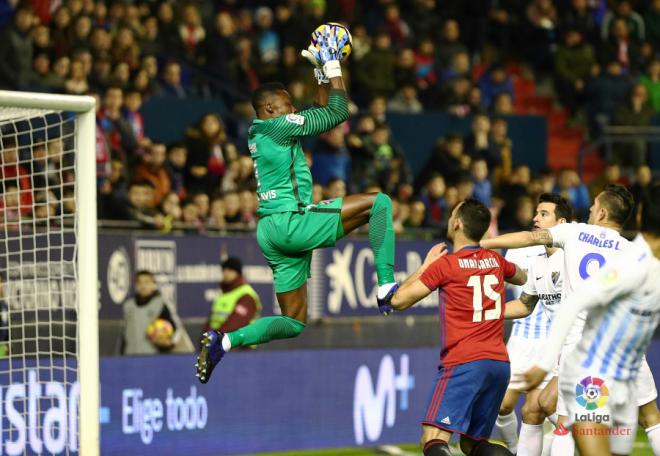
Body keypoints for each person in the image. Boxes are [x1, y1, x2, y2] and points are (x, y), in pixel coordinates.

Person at [196, 26, 398, 383]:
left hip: (271, 230)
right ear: (272, 108)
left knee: (293, 321)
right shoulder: (278, 126)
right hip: (291, 222)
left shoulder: (262, 130)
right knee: (379, 203)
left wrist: (320, 71)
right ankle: (385, 286)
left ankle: (225, 341)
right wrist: (333, 65)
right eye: (290, 105)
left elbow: (319, 109)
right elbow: (337, 112)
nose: (296, 111)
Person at [481, 184, 660, 456]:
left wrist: (484, 243)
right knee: (650, 418)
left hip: (581, 348)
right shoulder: (632, 251)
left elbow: (529, 238)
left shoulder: (574, 232)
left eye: (593, 206)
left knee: (565, 424)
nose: (588, 209)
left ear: (601, 213)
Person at [384, 199, 527, 456]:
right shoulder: (495, 261)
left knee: (433, 438)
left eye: (452, 215)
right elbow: (522, 276)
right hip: (498, 364)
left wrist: (425, 266)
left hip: (464, 361)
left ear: (458, 223)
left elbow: (397, 300)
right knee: (474, 444)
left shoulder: (446, 265)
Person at [496, 194, 573, 455]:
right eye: (536, 213)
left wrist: (480, 243)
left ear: (561, 223)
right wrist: (485, 312)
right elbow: (525, 302)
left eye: (543, 214)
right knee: (515, 407)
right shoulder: (526, 253)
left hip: (565, 344)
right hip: (524, 338)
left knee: (545, 406)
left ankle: (587, 442)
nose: (535, 219)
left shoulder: (573, 255)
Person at [119, 270, 185, 355]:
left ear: (153, 284)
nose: (143, 286)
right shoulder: (128, 306)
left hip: (153, 357)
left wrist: (170, 342)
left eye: (146, 282)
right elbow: (123, 334)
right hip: (130, 355)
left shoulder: (161, 304)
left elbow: (177, 329)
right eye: (139, 282)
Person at [206, 257, 261, 334]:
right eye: (224, 270)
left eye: (230, 270)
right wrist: (205, 337)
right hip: (217, 341)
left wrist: (216, 338)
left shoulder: (247, 295)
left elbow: (236, 323)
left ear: (238, 273)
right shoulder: (223, 294)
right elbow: (211, 320)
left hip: (240, 343)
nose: (226, 273)